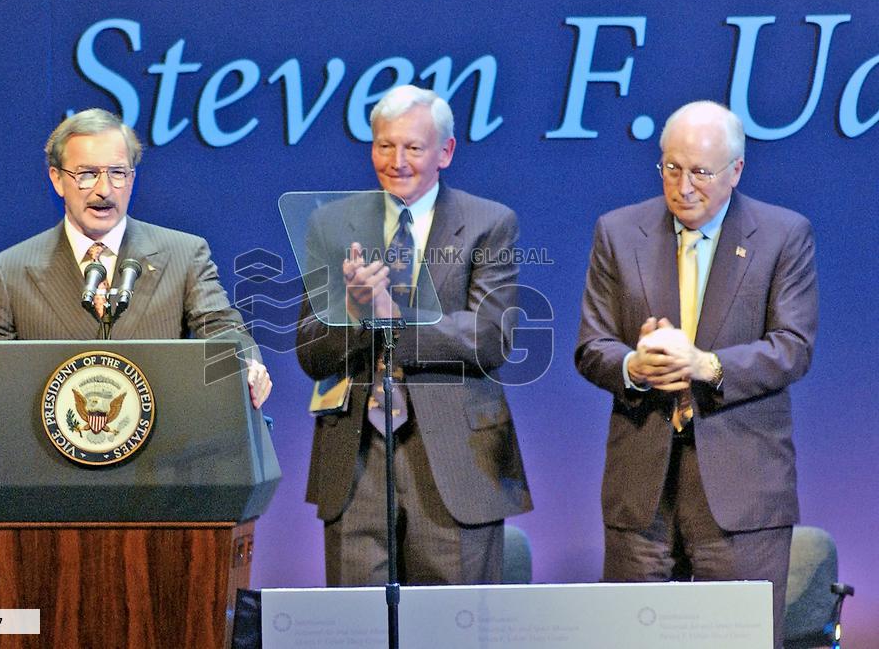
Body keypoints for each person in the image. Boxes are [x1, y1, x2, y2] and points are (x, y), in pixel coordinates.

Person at [575, 100, 817, 648]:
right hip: (642, 484)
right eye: (671, 168)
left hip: (741, 486)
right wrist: (635, 367)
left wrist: (706, 365)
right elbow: (592, 346)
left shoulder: (782, 235)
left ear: (736, 170)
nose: (683, 187)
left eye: (701, 172)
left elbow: (793, 347)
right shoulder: (618, 231)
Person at [296, 85, 532, 586]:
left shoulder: (489, 223)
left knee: (453, 621)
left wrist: (392, 318)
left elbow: (491, 337)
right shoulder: (331, 224)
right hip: (356, 459)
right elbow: (310, 349)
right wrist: (354, 314)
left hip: (457, 460)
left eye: (413, 148)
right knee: (358, 622)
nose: (397, 161)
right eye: (385, 145)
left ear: (445, 152)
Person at [0, 108, 271, 407]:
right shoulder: (10, 270)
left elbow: (221, 328)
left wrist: (246, 363)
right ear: (57, 179)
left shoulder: (184, 254)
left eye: (117, 173)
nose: (104, 189)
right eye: (87, 174)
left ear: (132, 179)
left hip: (163, 442)